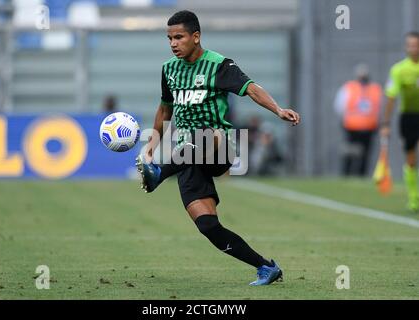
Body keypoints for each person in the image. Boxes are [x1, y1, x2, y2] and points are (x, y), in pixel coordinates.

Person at [135, 10, 300, 286]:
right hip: (185, 156)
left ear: (195, 37)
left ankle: (159, 174)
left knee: (207, 133)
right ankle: (266, 267)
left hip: (219, 146)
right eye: (169, 38)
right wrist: (151, 146)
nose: (173, 43)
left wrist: (278, 109)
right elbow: (165, 109)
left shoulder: (219, 65)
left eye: (179, 37)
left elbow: (250, 88)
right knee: (208, 226)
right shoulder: (169, 70)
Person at [381, 31, 419, 212]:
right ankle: (414, 198)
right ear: (406, 47)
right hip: (409, 117)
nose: (413, 48)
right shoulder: (399, 69)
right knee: (411, 159)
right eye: (410, 45)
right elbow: (391, 97)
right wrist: (386, 124)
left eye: (416, 45)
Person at [334, 64, 382, 176]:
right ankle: (346, 174)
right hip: (352, 127)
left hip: (369, 127)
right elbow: (339, 106)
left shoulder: (375, 89)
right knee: (350, 152)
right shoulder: (349, 87)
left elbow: (379, 107)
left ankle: (361, 175)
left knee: (365, 154)